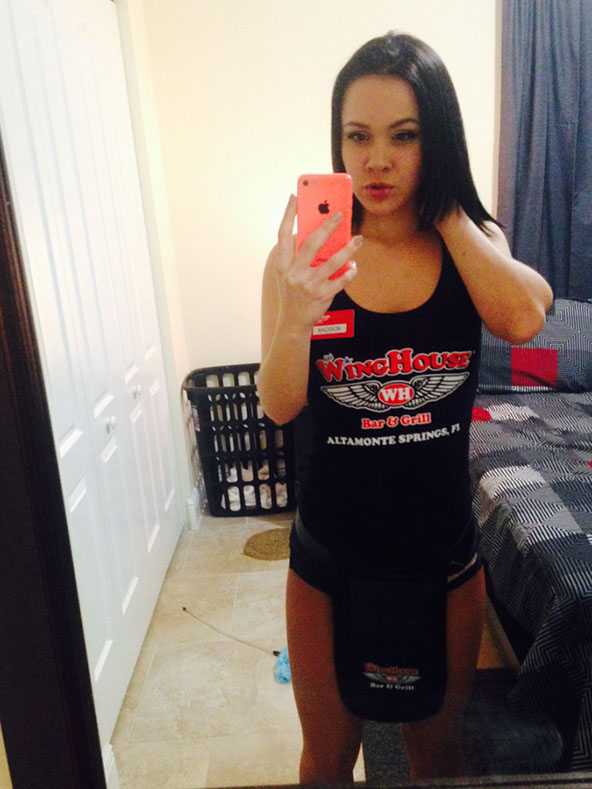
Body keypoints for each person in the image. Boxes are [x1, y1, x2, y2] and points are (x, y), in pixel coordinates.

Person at [258, 32, 553, 783]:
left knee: (438, 756)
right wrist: (297, 315)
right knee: (327, 760)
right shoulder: (302, 261)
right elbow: (279, 404)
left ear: (437, 140)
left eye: (405, 135)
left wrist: (448, 210)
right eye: (357, 136)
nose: (377, 161)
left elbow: (526, 318)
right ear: (337, 142)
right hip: (328, 564)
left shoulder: (471, 244)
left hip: (443, 562)